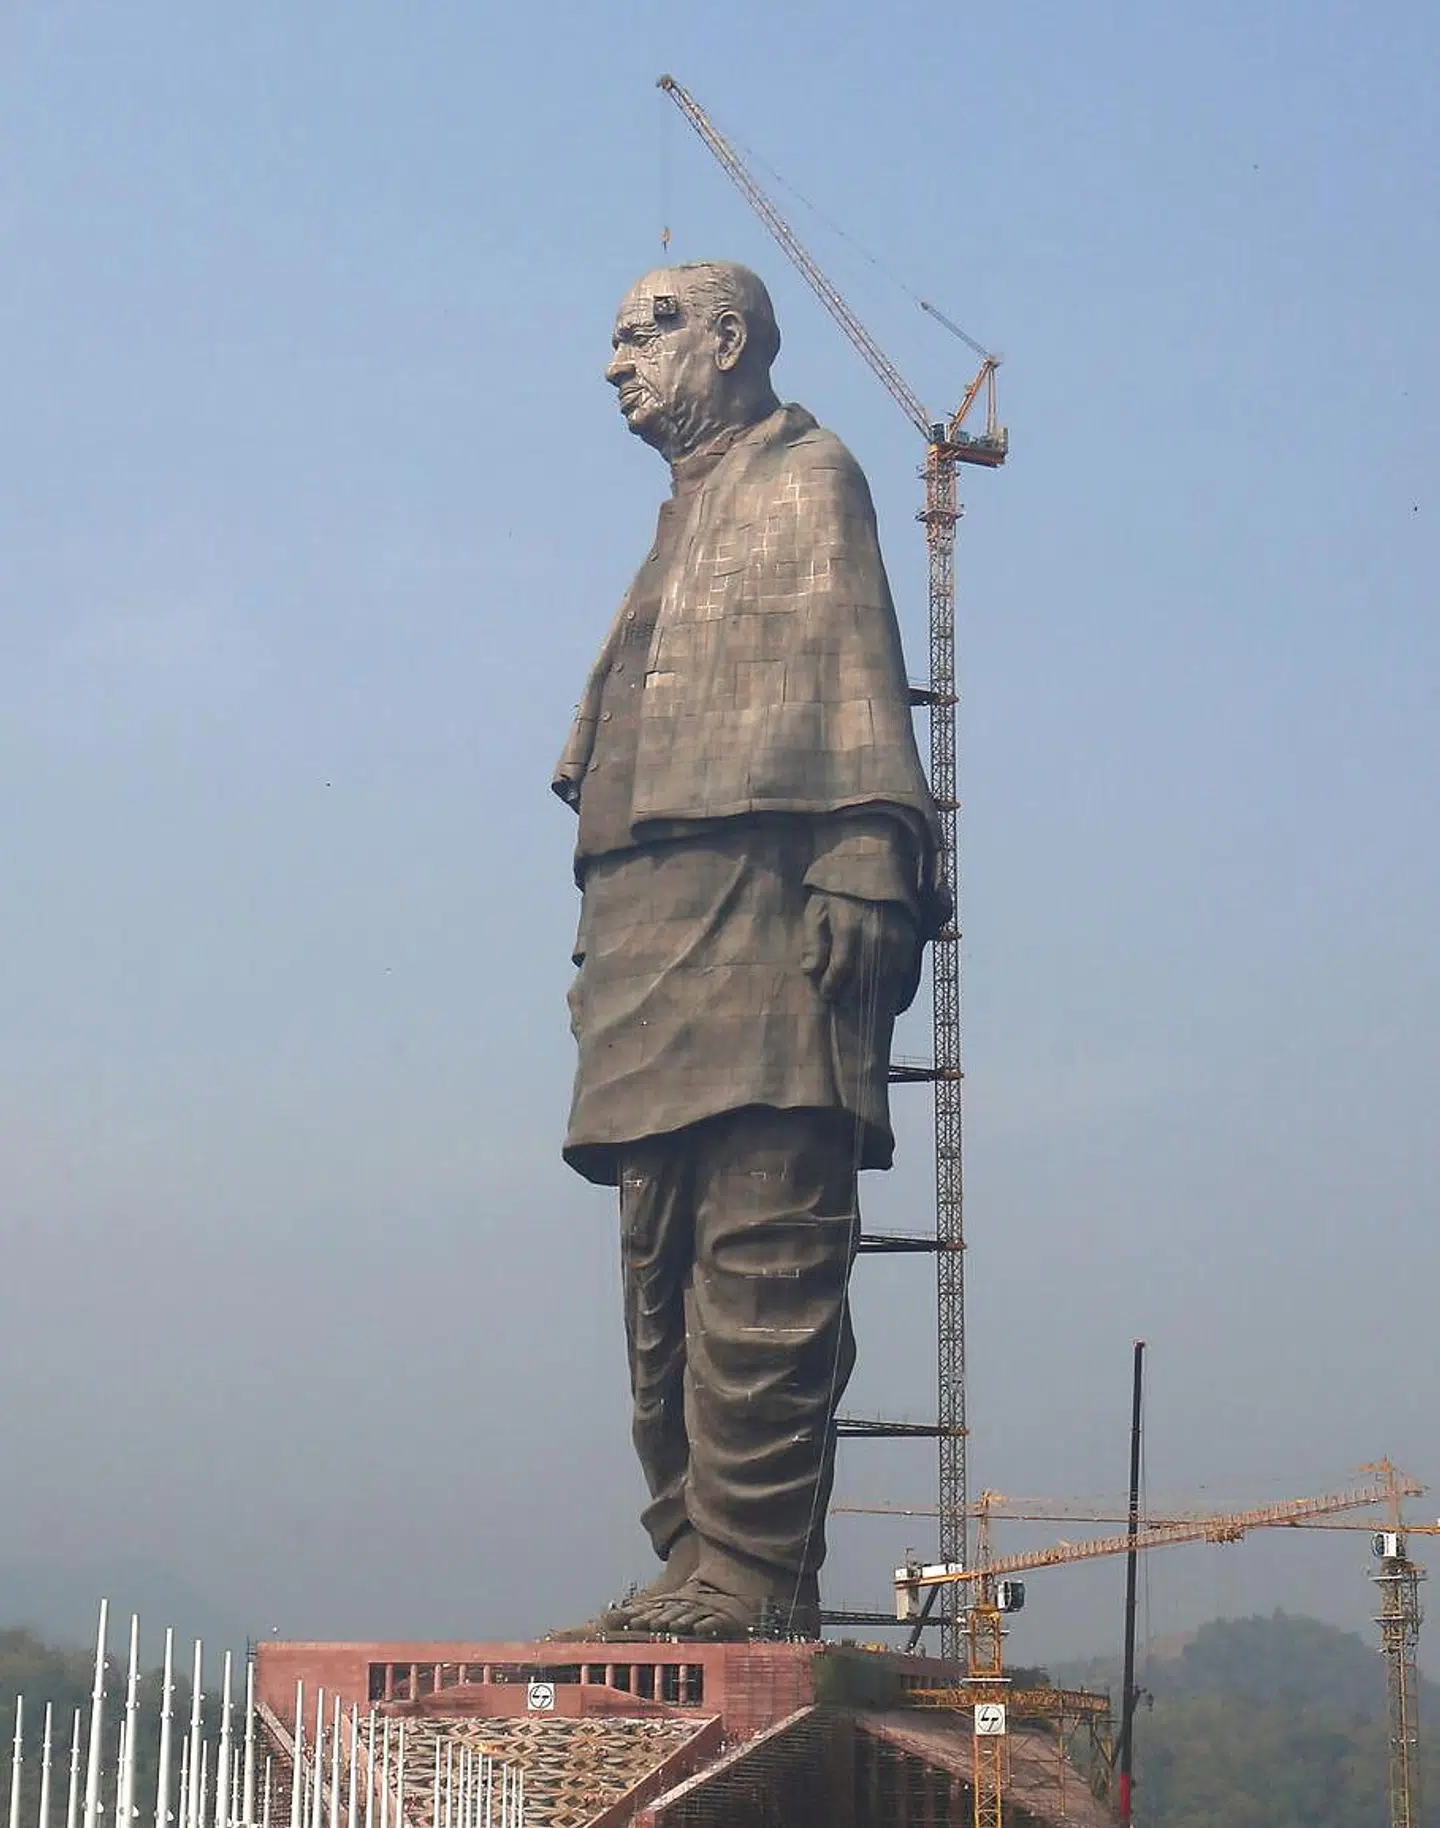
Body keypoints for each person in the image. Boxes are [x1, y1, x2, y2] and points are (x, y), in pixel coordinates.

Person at [552, 261, 945, 1639]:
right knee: (654, 1258)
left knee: (765, 1247)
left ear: (728, 341)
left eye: (641, 333)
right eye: (611, 340)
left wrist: (863, 850)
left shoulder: (806, 475)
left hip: (773, 905)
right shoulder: (683, 515)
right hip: (649, 921)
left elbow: (852, 661)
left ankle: (753, 1569)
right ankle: (692, 1552)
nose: (615, 362)